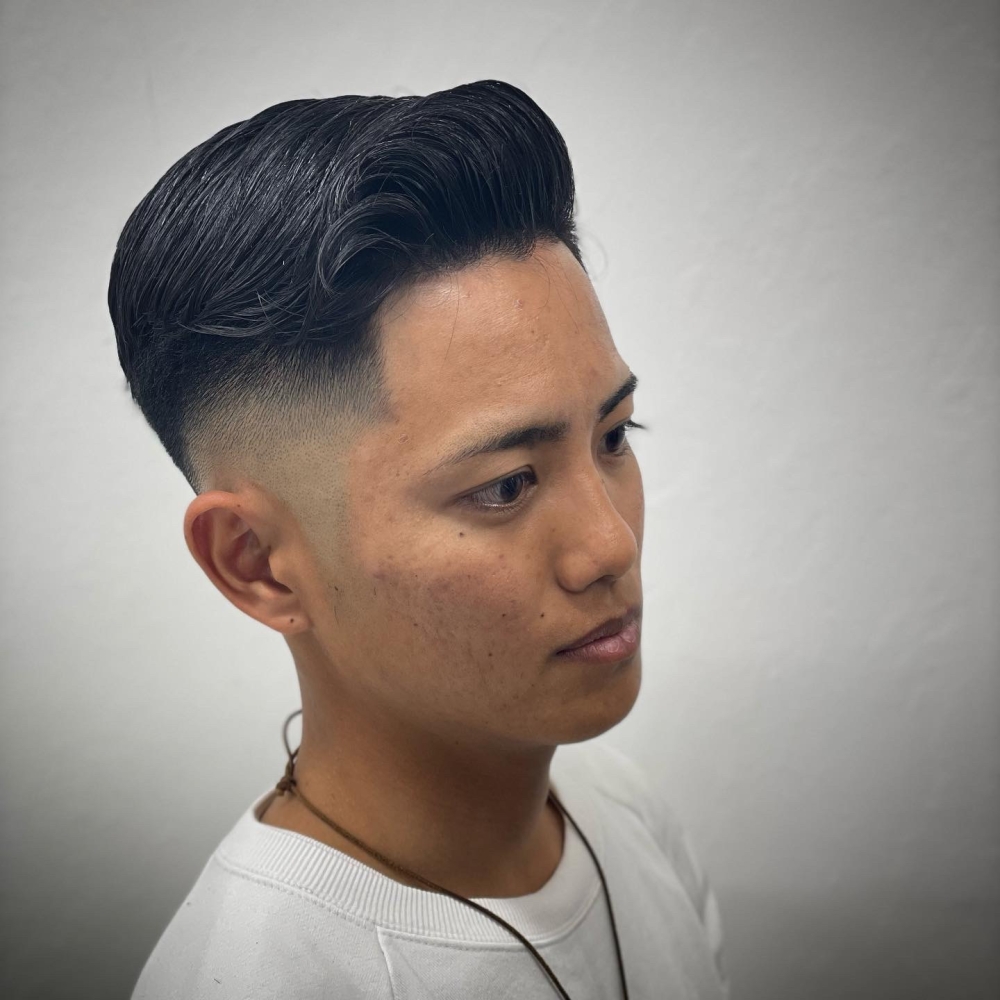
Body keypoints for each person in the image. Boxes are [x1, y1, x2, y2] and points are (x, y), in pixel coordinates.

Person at [110, 78, 731, 1000]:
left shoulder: (623, 814)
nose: (609, 547)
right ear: (258, 564)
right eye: (505, 486)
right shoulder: (254, 979)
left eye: (613, 437)